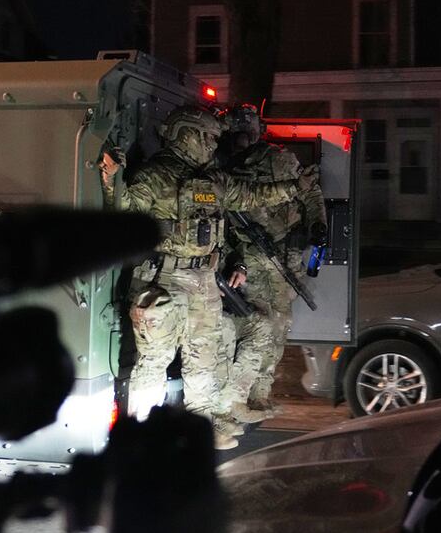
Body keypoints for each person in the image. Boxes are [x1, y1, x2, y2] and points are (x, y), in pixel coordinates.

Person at [98, 106, 297, 450]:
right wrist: (111, 180)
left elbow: (251, 195)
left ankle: (201, 431)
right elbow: (125, 215)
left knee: (203, 363)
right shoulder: (155, 175)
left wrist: (294, 188)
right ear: (185, 134)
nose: (211, 144)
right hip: (164, 280)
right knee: (153, 363)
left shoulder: (214, 179)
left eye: (213, 138)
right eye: (206, 137)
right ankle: (140, 442)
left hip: (203, 280)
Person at [218, 104, 327, 424]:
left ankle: (260, 393)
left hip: (281, 256)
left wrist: (318, 225)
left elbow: (310, 193)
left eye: (248, 130)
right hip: (247, 258)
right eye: (238, 131)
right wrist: (236, 259)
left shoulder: (280, 159)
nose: (243, 137)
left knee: (278, 328)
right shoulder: (222, 166)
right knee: (256, 327)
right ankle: (237, 398)